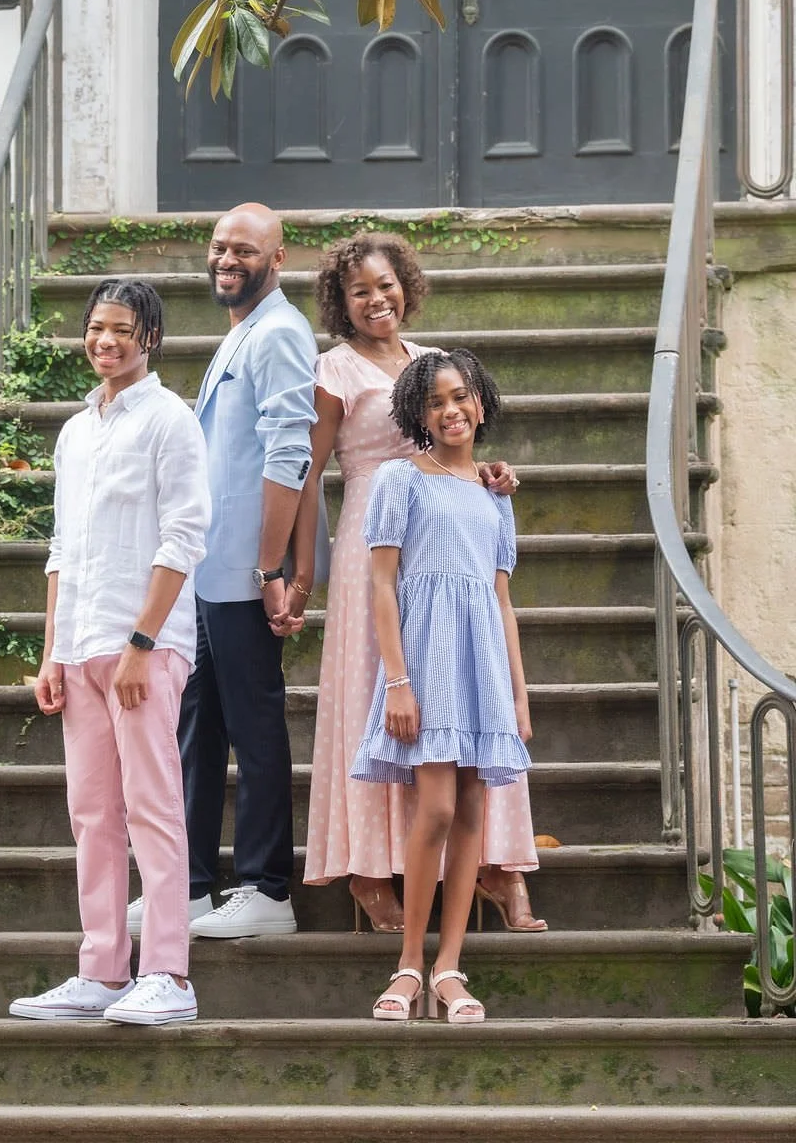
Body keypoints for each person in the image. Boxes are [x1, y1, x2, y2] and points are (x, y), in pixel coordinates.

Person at [290, 235, 544, 933]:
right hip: (372, 545)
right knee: (379, 696)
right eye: (360, 291)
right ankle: (371, 872)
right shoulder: (333, 370)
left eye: (386, 284)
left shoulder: (434, 364)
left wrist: (493, 476)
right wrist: (298, 570)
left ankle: (499, 863)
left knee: (470, 693)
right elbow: (310, 474)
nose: (378, 300)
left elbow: (455, 442)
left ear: (407, 284)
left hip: (445, 542)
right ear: (341, 305)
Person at [9, 279, 210, 1025]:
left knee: (153, 807)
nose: (106, 342)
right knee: (92, 813)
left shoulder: (170, 421)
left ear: (149, 336)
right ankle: (101, 970)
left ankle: (169, 973)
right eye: (97, 328)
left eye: (122, 330)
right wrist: (52, 652)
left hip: (142, 652)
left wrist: (141, 642)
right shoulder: (75, 431)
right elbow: (61, 549)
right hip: (81, 648)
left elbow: (184, 537)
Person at [133, 202, 325, 939]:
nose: (226, 259)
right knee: (199, 726)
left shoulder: (279, 333)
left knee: (253, 721)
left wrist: (272, 564)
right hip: (212, 572)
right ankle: (188, 888)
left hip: (246, 570)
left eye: (243, 249)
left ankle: (268, 889)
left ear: (278, 258)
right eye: (218, 247)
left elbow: (288, 453)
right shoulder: (245, 331)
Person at [352, 349, 532, 1023]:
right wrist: (397, 681)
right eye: (435, 402)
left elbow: (500, 600)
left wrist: (518, 695)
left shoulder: (494, 496)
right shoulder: (401, 480)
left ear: (480, 402)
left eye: (461, 397)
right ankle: (408, 963)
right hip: (425, 666)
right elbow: (380, 583)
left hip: (482, 669)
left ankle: (451, 966)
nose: (450, 410)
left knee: (472, 814)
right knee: (433, 809)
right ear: (418, 415)